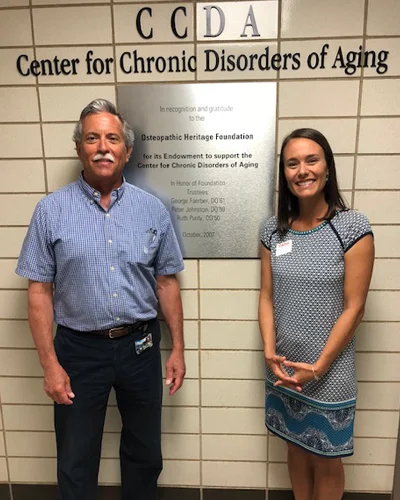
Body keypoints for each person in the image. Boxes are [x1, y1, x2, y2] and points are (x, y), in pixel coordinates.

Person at [15, 99, 185, 500]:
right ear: (79, 148)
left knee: (145, 453)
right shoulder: (50, 211)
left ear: (127, 151)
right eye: (92, 138)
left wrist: (176, 347)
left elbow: (166, 282)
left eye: (112, 138)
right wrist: (49, 365)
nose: (103, 147)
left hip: (141, 347)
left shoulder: (152, 210)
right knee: (76, 457)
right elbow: (38, 291)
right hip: (77, 351)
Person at [258, 128, 374, 499]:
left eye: (311, 160)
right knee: (294, 445)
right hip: (285, 366)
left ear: (327, 168)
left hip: (330, 370)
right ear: (284, 174)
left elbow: (355, 306)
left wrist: (319, 366)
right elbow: (266, 296)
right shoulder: (272, 231)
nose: (302, 170)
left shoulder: (352, 228)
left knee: (326, 456)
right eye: (292, 163)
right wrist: (269, 353)